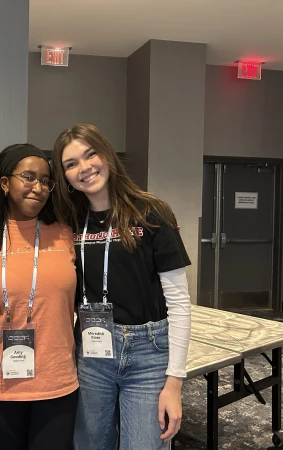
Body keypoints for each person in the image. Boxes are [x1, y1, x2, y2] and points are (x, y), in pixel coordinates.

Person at [51, 124, 192, 450]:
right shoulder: (67, 220)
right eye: (71, 164)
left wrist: (175, 382)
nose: (84, 168)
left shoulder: (151, 212)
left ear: (107, 155)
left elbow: (179, 303)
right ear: (65, 176)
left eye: (90, 154)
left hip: (148, 352)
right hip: (91, 351)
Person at [0, 144, 79, 450]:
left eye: (46, 181)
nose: (39, 187)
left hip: (57, 381)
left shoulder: (64, 232)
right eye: (29, 177)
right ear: (5, 183)